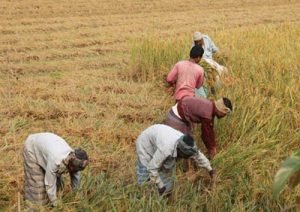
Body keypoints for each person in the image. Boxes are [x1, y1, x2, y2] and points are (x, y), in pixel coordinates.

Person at [135, 124, 215, 195]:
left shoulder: (188, 145)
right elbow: (152, 168)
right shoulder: (166, 149)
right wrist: (160, 186)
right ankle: (144, 194)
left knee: (165, 171)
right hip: (146, 143)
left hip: (160, 136)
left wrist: (210, 170)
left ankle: (165, 193)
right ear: (180, 151)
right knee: (145, 171)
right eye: (185, 156)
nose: (187, 158)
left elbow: (198, 156)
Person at [23, 132, 89, 207]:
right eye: (73, 169)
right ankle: (31, 205)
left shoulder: (76, 161)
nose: (74, 171)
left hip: (47, 147)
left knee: (59, 185)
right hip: (32, 147)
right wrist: (56, 204)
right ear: (70, 163)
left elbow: (76, 179)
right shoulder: (56, 160)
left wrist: (77, 197)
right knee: (38, 189)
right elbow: (50, 184)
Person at [165, 96, 232, 159]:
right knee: (178, 147)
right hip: (176, 117)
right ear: (221, 110)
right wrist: (211, 149)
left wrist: (213, 146)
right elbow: (205, 135)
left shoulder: (210, 107)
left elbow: (210, 130)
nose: (224, 116)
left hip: (182, 116)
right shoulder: (207, 114)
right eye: (225, 114)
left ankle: (188, 167)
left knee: (188, 144)